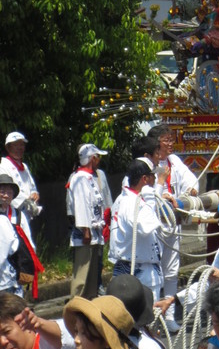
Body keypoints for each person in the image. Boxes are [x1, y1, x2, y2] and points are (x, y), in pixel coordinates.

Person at [150, 123, 199, 332]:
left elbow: (191, 180)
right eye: (166, 140)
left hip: (172, 224)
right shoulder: (147, 163)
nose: (170, 143)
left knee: (171, 271)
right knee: (152, 273)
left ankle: (169, 316)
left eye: (171, 139)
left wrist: (191, 190)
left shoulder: (175, 161)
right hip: (153, 226)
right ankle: (151, 317)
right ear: (156, 143)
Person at [109, 159, 163, 300]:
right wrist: (151, 199)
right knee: (143, 317)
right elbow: (145, 227)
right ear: (145, 179)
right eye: (152, 176)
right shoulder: (134, 202)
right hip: (138, 269)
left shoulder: (121, 199)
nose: (155, 179)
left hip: (126, 266)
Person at [66, 143, 109, 299]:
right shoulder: (79, 178)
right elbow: (81, 205)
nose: (99, 160)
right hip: (86, 234)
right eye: (97, 157)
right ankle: (75, 308)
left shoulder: (90, 177)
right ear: (93, 158)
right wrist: (86, 229)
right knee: (82, 277)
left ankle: (88, 307)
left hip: (94, 233)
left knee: (92, 277)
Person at [0, 133, 40, 226]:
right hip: (10, 212)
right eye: (15, 145)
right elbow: (5, 189)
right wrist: (25, 201)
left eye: (22, 145)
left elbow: (32, 187)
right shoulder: (3, 165)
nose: (20, 148)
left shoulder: (24, 166)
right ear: (8, 147)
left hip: (26, 213)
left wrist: (35, 194)